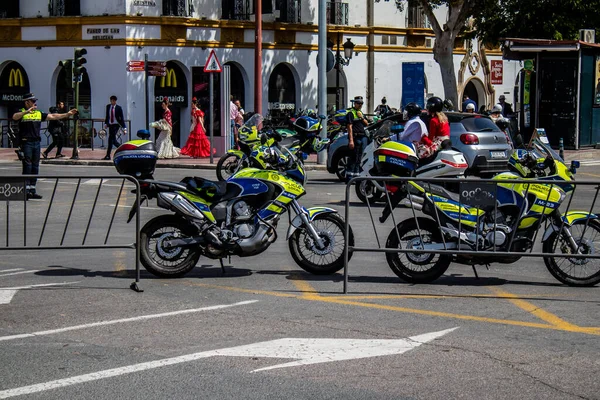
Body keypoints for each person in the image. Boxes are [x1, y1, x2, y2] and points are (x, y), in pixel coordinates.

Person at [12, 93, 77, 200]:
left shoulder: (38, 113)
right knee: (27, 166)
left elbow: (53, 116)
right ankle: (25, 190)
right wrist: (26, 111)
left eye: (34, 101)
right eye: (32, 101)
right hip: (26, 142)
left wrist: (67, 114)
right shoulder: (21, 112)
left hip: (36, 142)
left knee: (35, 166)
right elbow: (15, 117)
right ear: (27, 102)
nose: (34, 103)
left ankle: (32, 190)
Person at [345, 96, 370, 183]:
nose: (360, 105)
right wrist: (351, 140)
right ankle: (349, 178)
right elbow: (349, 127)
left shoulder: (360, 113)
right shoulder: (350, 113)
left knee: (360, 158)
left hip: (362, 137)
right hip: (355, 138)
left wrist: (362, 117)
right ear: (354, 103)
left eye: (361, 103)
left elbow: (367, 124)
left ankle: (357, 177)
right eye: (358, 103)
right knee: (353, 158)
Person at [103, 95, 127, 160]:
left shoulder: (119, 108)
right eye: (111, 100)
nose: (112, 102)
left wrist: (124, 128)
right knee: (111, 141)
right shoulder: (108, 107)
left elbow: (121, 118)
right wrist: (106, 123)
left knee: (111, 139)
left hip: (116, 125)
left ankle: (121, 149)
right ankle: (109, 155)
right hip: (110, 125)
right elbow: (107, 116)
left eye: (113, 101)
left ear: (115, 101)